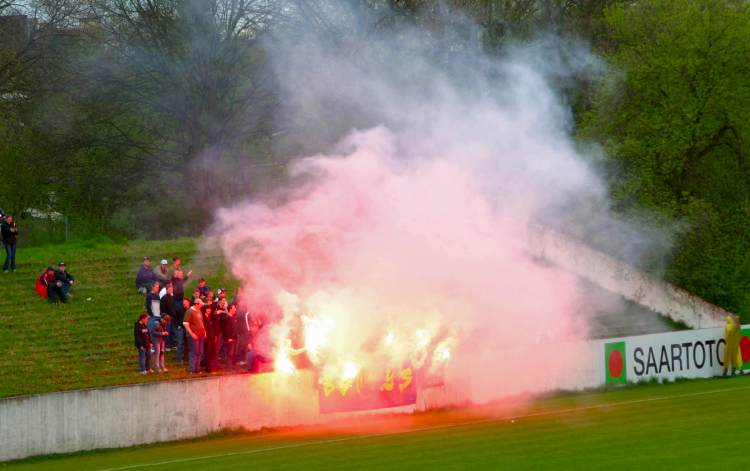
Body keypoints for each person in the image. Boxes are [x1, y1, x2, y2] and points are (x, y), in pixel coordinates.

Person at [183, 298, 206, 373]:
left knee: (200, 352)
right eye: (200, 305)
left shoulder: (199, 311)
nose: (201, 306)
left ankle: (197, 368)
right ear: (196, 304)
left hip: (201, 335)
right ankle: (191, 369)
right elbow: (186, 324)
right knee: (194, 352)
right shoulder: (189, 311)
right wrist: (192, 334)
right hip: (194, 335)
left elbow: (201, 322)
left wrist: (204, 331)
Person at [221, 303, 238, 369]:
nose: (235, 310)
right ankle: (228, 367)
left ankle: (232, 366)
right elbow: (226, 329)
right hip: (230, 338)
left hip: (234, 337)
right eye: (234, 308)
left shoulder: (232, 317)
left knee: (233, 353)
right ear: (230, 309)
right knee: (229, 353)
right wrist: (229, 337)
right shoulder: (227, 318)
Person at [160, 282, 177, 349]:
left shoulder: (172, 297)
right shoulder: (164, 298)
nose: (171, 290)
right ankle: (167, 345)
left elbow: (173, 308)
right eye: (169, 289)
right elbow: (163, 309)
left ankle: (173, 344)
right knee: (168, 331)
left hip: (172, 317)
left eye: (171, 289)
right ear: (166, 290)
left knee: (172, 331)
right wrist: (165, 316)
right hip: (167, 318)